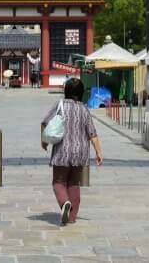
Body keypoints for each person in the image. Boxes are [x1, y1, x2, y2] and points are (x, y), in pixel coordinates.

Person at [40, 78, 103, 225]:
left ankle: (64, 203)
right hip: (81, 152)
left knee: (59, 182)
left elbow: (44, 122)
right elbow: (92, 133)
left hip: (62, 150)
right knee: (74, 183)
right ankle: (72, 217)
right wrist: (99, 152)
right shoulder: (84, 109)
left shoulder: (60, 105)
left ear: (66, 91)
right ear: (81, 93)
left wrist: (44, 141)